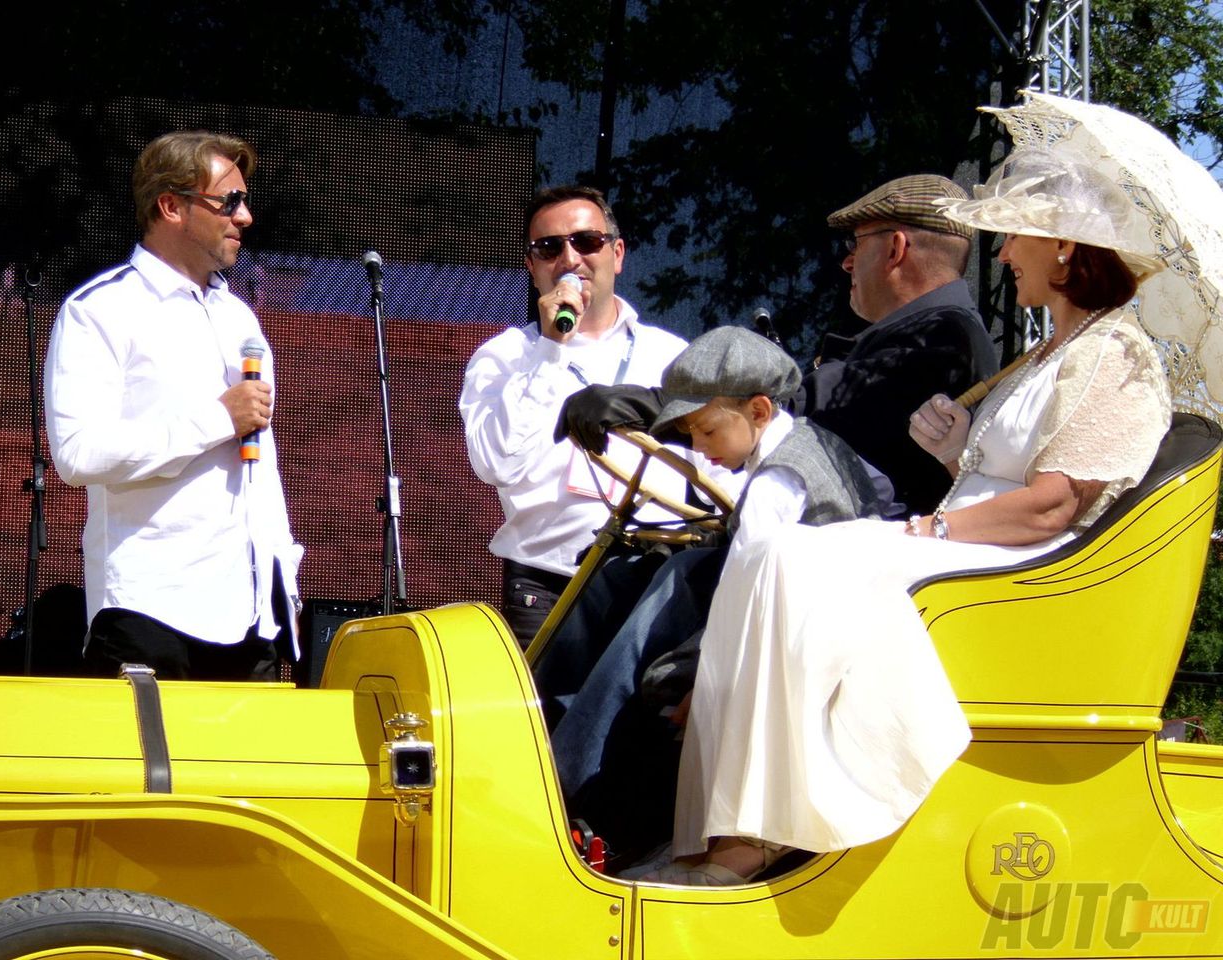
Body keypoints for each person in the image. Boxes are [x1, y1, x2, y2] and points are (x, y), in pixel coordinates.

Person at [655, 147, 1172, 886]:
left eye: (1017, 233)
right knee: (775, 553)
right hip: (975, 538)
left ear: (1065, 245)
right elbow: (1008, 479)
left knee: (799, 561)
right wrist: (959, 453)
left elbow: (1054, 505)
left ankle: (765, 831)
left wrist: (935, 526)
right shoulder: (1050, 352)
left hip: (1020, 565)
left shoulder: (1114, 352)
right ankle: (724, 822)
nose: (1003, 251)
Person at [539, 326, 883, 859]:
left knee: (672, 584)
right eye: (691, 435)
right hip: (788, 604)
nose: (698, 449)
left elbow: (751, 594)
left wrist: (704, 675)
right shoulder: (811, 446)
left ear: (760, 411)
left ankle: (566, 782)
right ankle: (559, 739)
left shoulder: (774, 487)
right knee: (639, 573)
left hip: (797, 630)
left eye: (706, 432)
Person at [557, 174, 999, 516]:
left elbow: (799, 409)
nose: (846, 261)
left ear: (895, 249)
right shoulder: (941, 331)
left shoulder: (942, 338)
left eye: (855, 243)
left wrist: (643, 405)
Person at [45, 131, 302, 681]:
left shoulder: (238, 317)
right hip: (151, 607)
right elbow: (78, 454)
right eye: (228, 201)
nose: (246, 216)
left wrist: (283, 581)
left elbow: (260, 466)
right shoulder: (101, 310)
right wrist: (216, 418)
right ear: (171, 206)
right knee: (150, 771)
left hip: (249, 613)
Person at [459, 185, 698, 645]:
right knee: (551, 718)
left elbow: (714, 468)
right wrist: (550, 349)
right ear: (531, 268)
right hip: (548, 582)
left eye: (586, 241)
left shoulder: (673, 356)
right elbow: (495, 464)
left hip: (657, 575)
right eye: (549, 248)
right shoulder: (505, 355)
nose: (570, 259)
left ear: (617, 252)